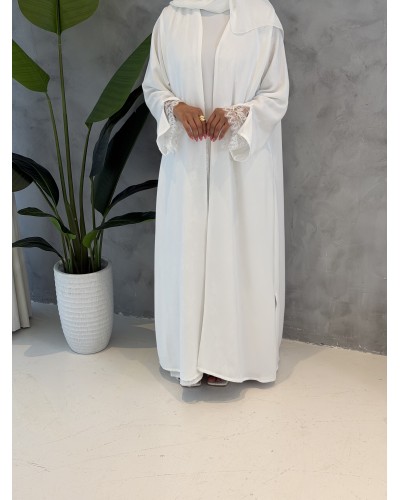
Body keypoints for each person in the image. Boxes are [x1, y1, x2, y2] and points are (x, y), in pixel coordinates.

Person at [142, 0, 290, 387]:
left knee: (236, 249)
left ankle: (230, 356)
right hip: (188, 163)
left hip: (239, 164)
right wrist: (176, 108)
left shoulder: (261, 18)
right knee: (189, 248)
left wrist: (239, 114)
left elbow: (276, 94)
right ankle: (191, 353)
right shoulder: (172, 18)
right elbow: (154, 85)